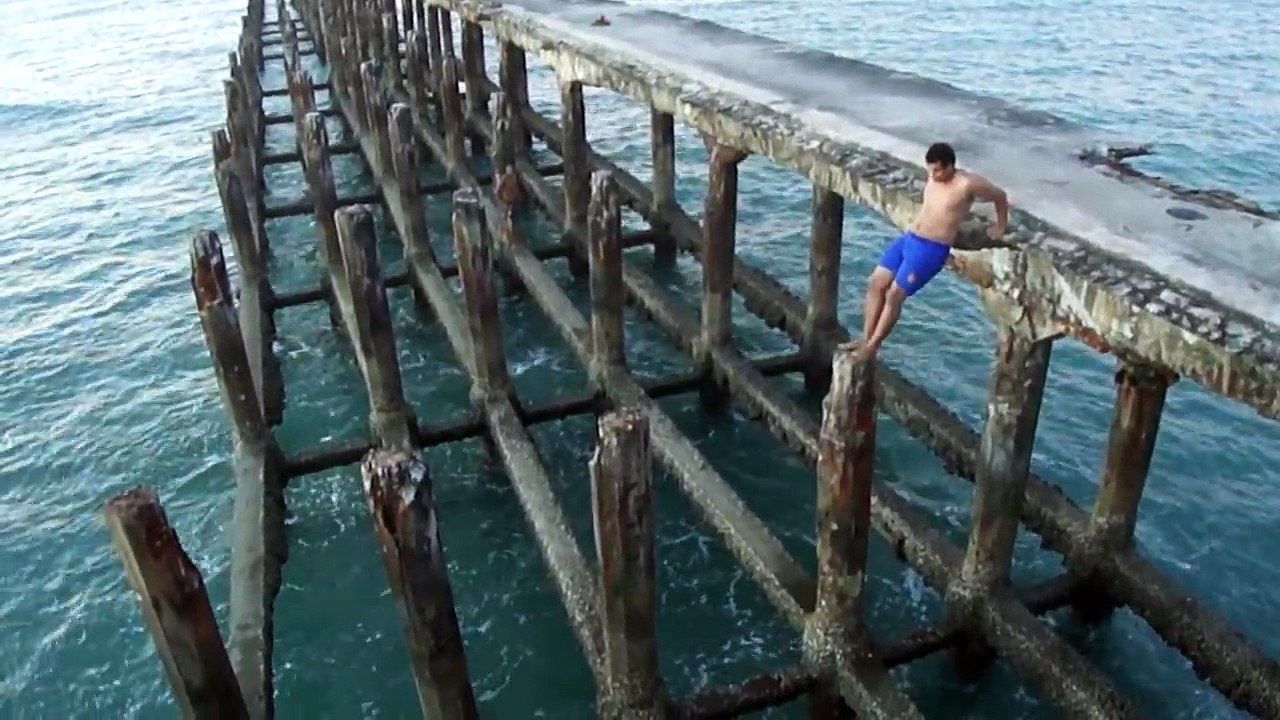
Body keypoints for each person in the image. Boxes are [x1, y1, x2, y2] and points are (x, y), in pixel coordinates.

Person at [858, 142, 1008, 354]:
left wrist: (1000, 226)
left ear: (950, 166)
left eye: (937, 170)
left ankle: (872, 347)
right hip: (910, 239)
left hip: (932, 248)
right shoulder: (933, 176)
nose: (933, 175)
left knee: (894, 295)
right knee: (876, 282)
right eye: (930, 170)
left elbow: (999, 196)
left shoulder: (967, 183)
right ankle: (864, 339)